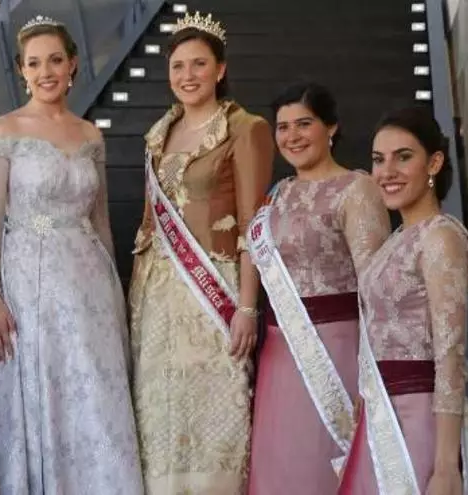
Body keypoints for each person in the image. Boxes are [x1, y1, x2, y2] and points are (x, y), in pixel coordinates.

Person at [0, 15, 144, 495]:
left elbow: (101, 219)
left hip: (88, 278)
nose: (45, 71)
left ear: (72, 64)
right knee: (42, 381)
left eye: (54, 60)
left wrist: (115, 291)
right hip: (28, 277)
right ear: (21, 71)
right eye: (33, 63)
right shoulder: (4, 129)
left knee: (92, 385)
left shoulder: (90, 135)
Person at [127, 11, 275, 494]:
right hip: (158, 294)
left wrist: (248, 307)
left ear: (220, 69)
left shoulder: (245, 128)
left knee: (215, 405)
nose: (187, 75)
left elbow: (253, 225)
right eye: (178, 66)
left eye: (199, 64)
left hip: (214, 287)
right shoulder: (159, 133)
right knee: (161, 408)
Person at [245, 82, 391, 493]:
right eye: (283, 127)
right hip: (279, 351)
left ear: (331, 127)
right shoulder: (277, 194)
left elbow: (376, 288)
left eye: (304, 124)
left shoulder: (356, 189)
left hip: (337, 347)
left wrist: (373, 368)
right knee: (282, 463)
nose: (292, 136)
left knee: (323, 461)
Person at [338, 106, 468, 494]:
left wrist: (446, 465)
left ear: (434, 163)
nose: (387, 172)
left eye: (403, 157)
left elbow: (451, 355)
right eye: (378, 160)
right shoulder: (396, 240)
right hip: (381, 413)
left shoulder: (440, 237)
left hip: (419, 419)